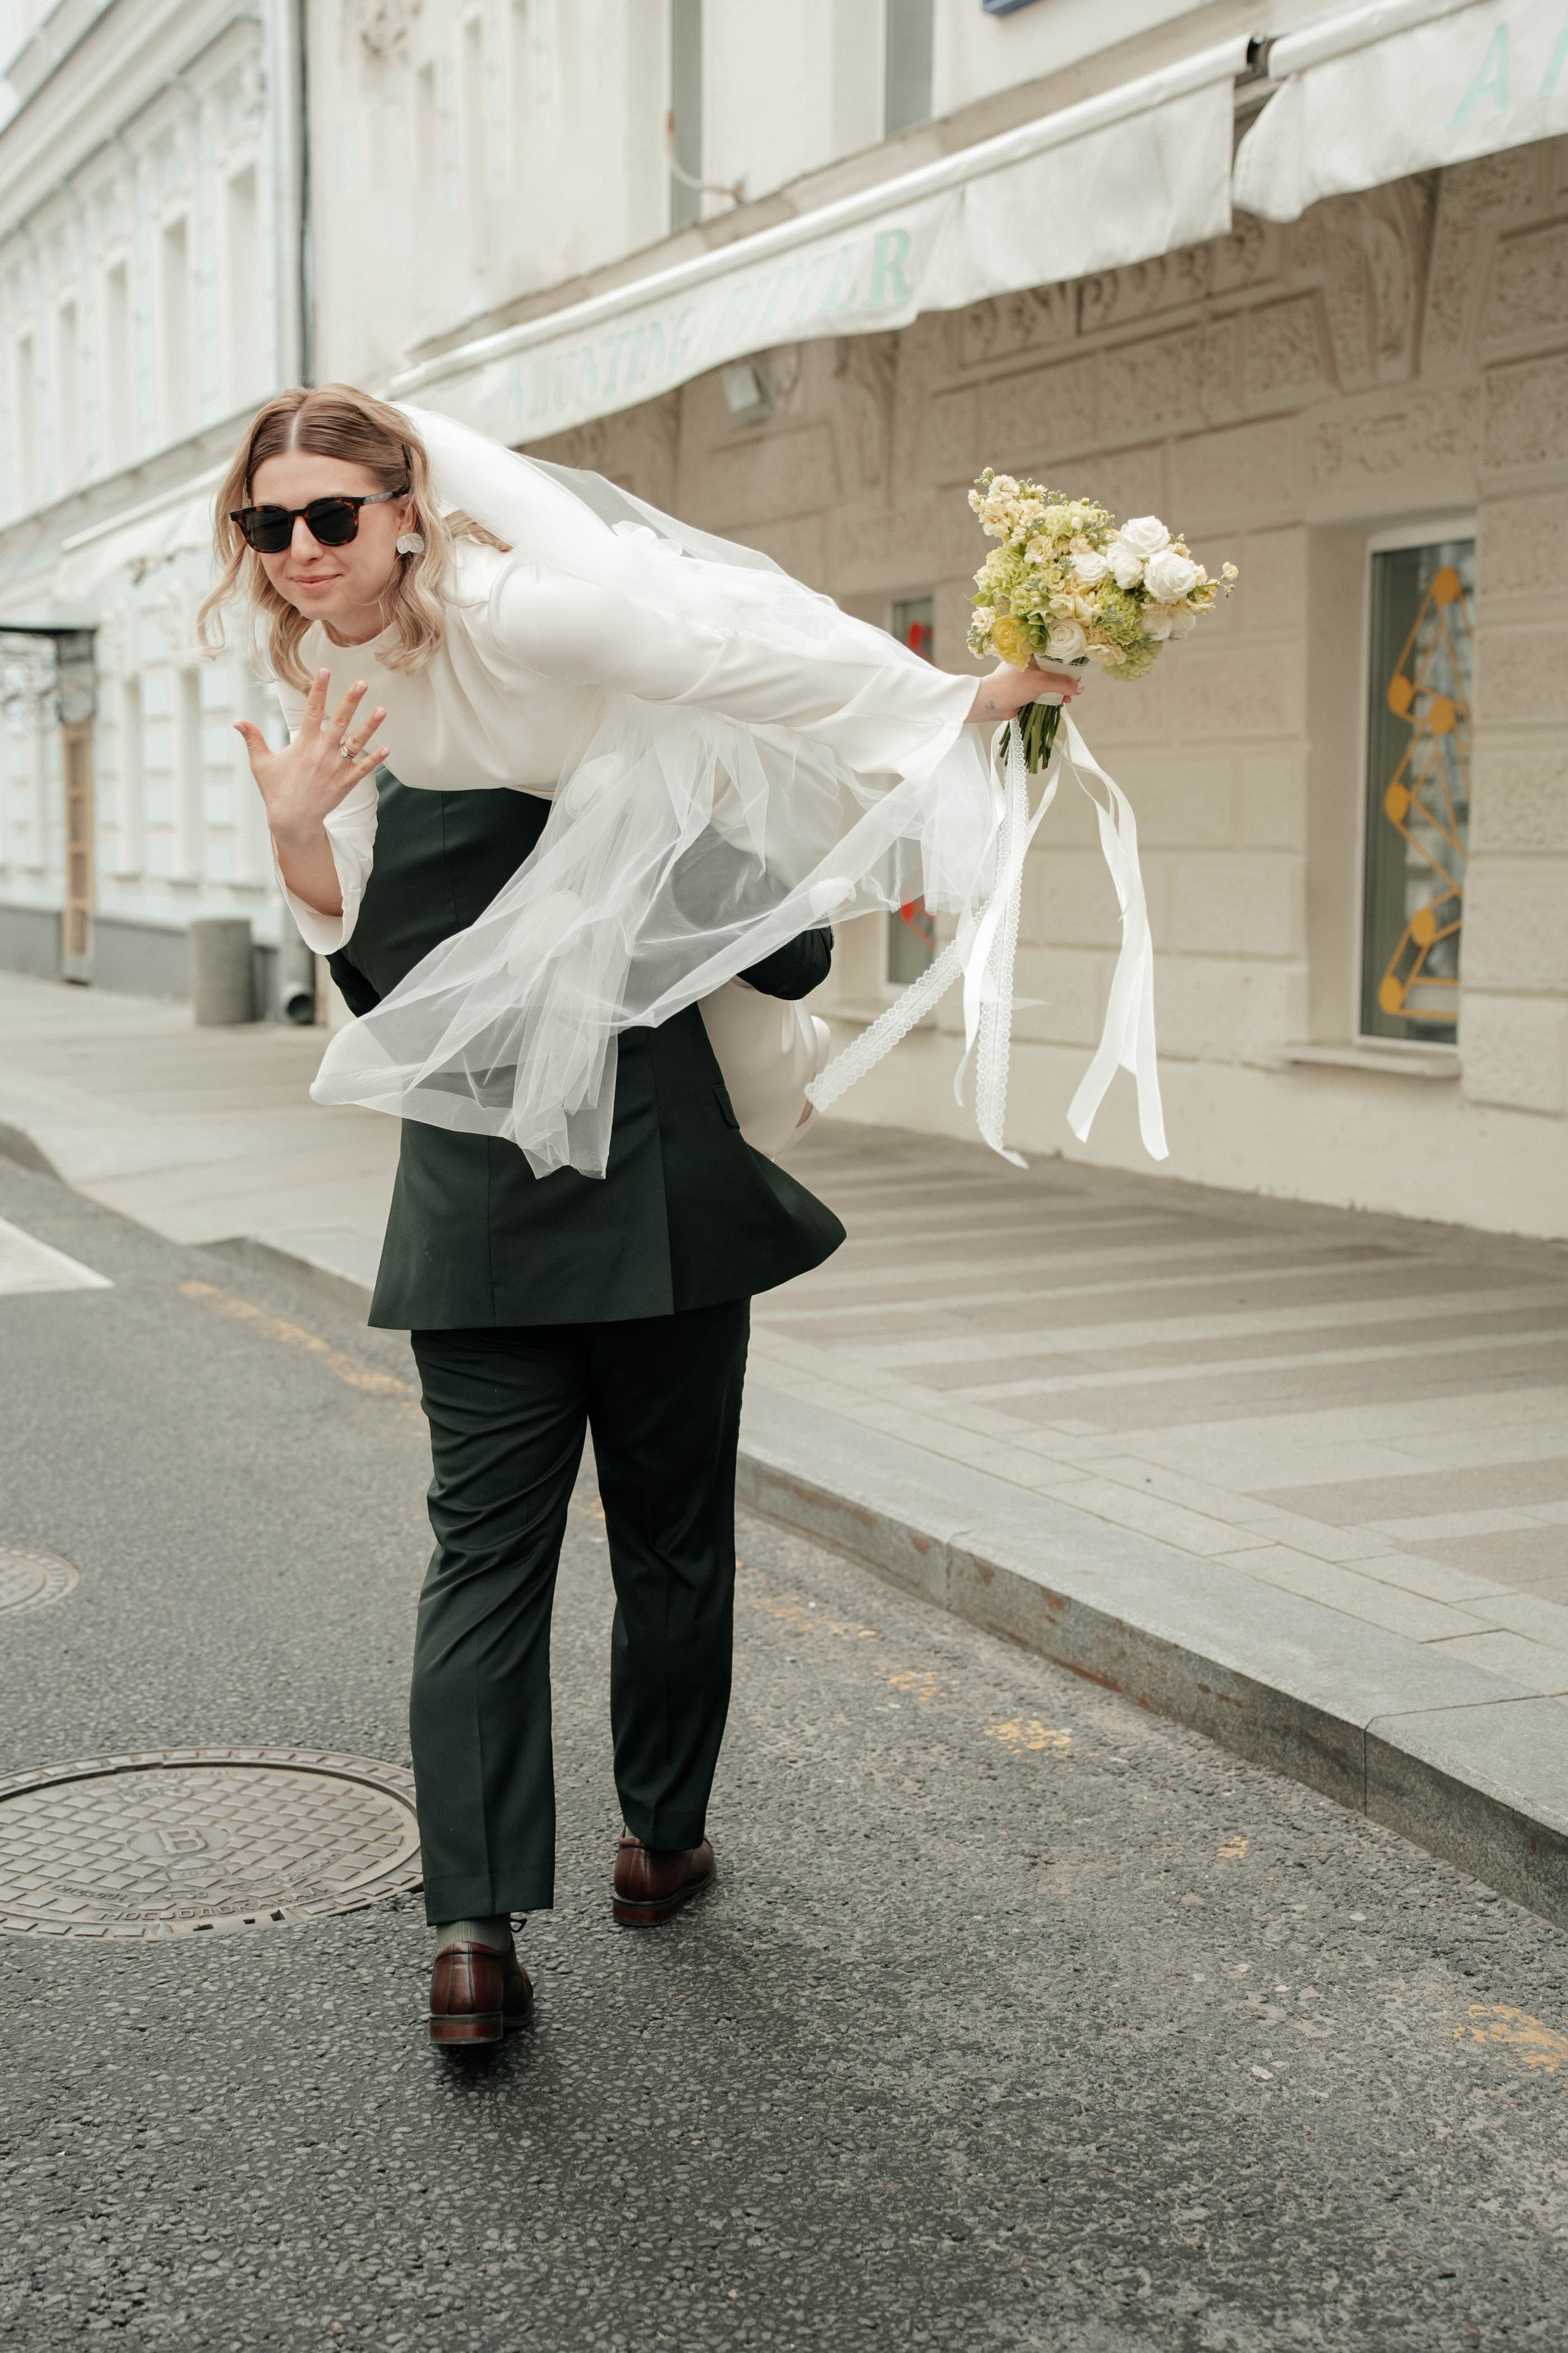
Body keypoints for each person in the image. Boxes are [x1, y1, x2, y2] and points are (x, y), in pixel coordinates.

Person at [205, 383, 1078, 2048]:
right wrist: (707, 829)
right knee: (671, 1541)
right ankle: (658, 1843)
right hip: (664, 1213)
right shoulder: (422, 715)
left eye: (328, 515)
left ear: (408, 513)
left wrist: (314, 845)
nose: (301, 549)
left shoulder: (456, 684)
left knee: (481, 1567)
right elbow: (798, 956)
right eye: (272, 525)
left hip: (475, 1228)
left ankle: (473, 1937)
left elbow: (386, 979)